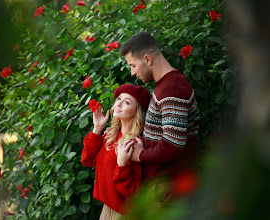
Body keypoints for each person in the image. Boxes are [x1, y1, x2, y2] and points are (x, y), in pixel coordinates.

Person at [119, 32, 200, 199]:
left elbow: (172, 146)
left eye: (133, 65)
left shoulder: (173, 89)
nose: (132, 72)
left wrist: (139, 155)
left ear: (148, 59)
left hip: (168, 189)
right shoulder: (165, 86)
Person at [81, 84, 151, 220]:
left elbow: (136, 193)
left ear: (137, 111)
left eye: (126, 102)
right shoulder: (111, 136)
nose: (119, 103)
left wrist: (122, 165)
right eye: (119, 99)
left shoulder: (133, 144)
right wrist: (97, 128)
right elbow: (87, 160)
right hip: (107, 209)